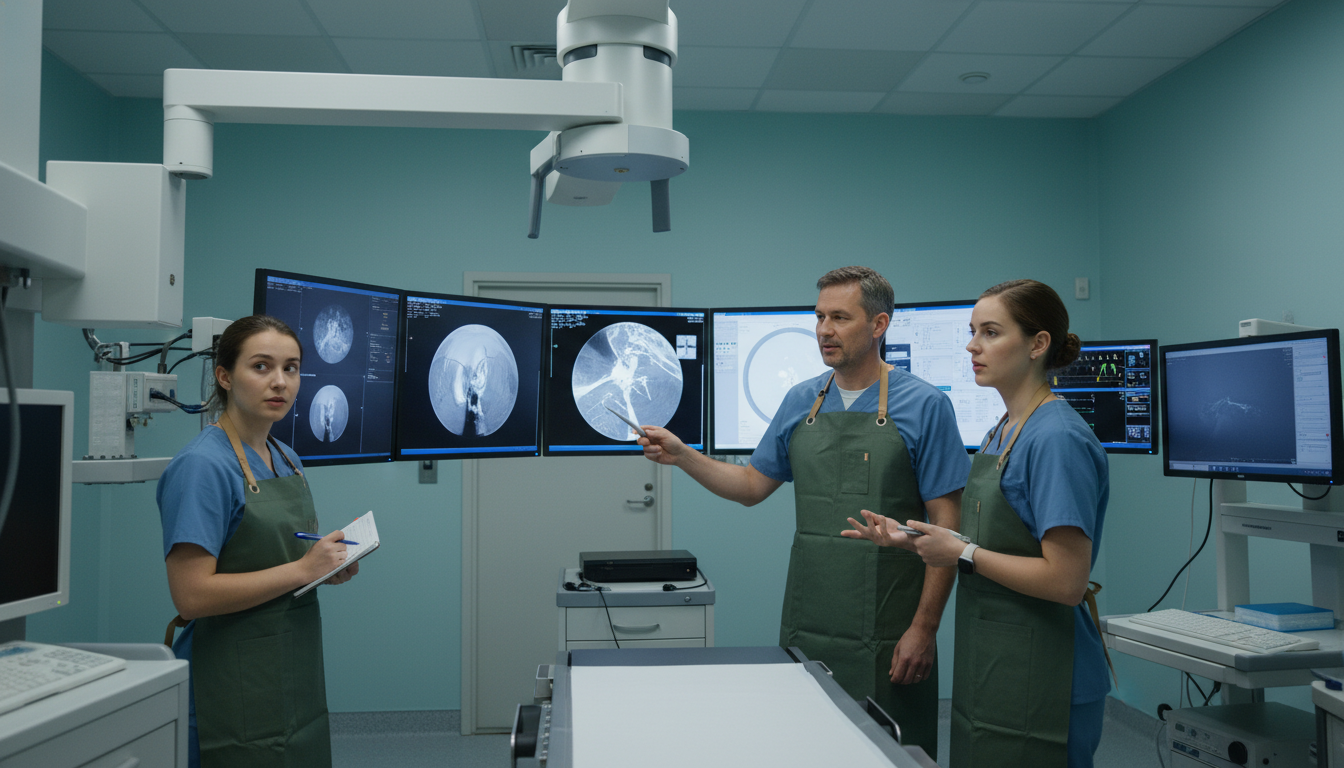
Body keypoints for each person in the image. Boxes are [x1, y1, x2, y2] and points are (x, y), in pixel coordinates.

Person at [639, 267, 969, 758]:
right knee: (808, 746)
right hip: (809, 618)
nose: (824, 330)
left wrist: (924, 630)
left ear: (879, 325)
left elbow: (948, 529)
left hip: (891, 627)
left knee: (891, 752)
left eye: (839, 317)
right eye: (818, 317)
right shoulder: (801, 400)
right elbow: (751, 486)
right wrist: (683, 455)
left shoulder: (924, 406)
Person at [843, 279, 1111, 768]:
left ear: (1038, 343)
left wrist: (961, 553)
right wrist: (915, 540)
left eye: (990, 332)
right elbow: (998, 542)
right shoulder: (1003, 429)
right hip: (1000, 659)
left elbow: (1067, 581)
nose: (972, 345)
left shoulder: (1057, 439)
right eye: (972, 332)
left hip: (1050, 669)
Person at [158, 315, 360, 768]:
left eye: (291, 368)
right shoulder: (202, 467)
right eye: (262, 366)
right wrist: (302, 569)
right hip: (226, 680)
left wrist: (322, 567)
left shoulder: (287, 458)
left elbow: (282, 561)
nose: (280, 382)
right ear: (225, 376)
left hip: (290, 667)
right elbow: (191, 596)